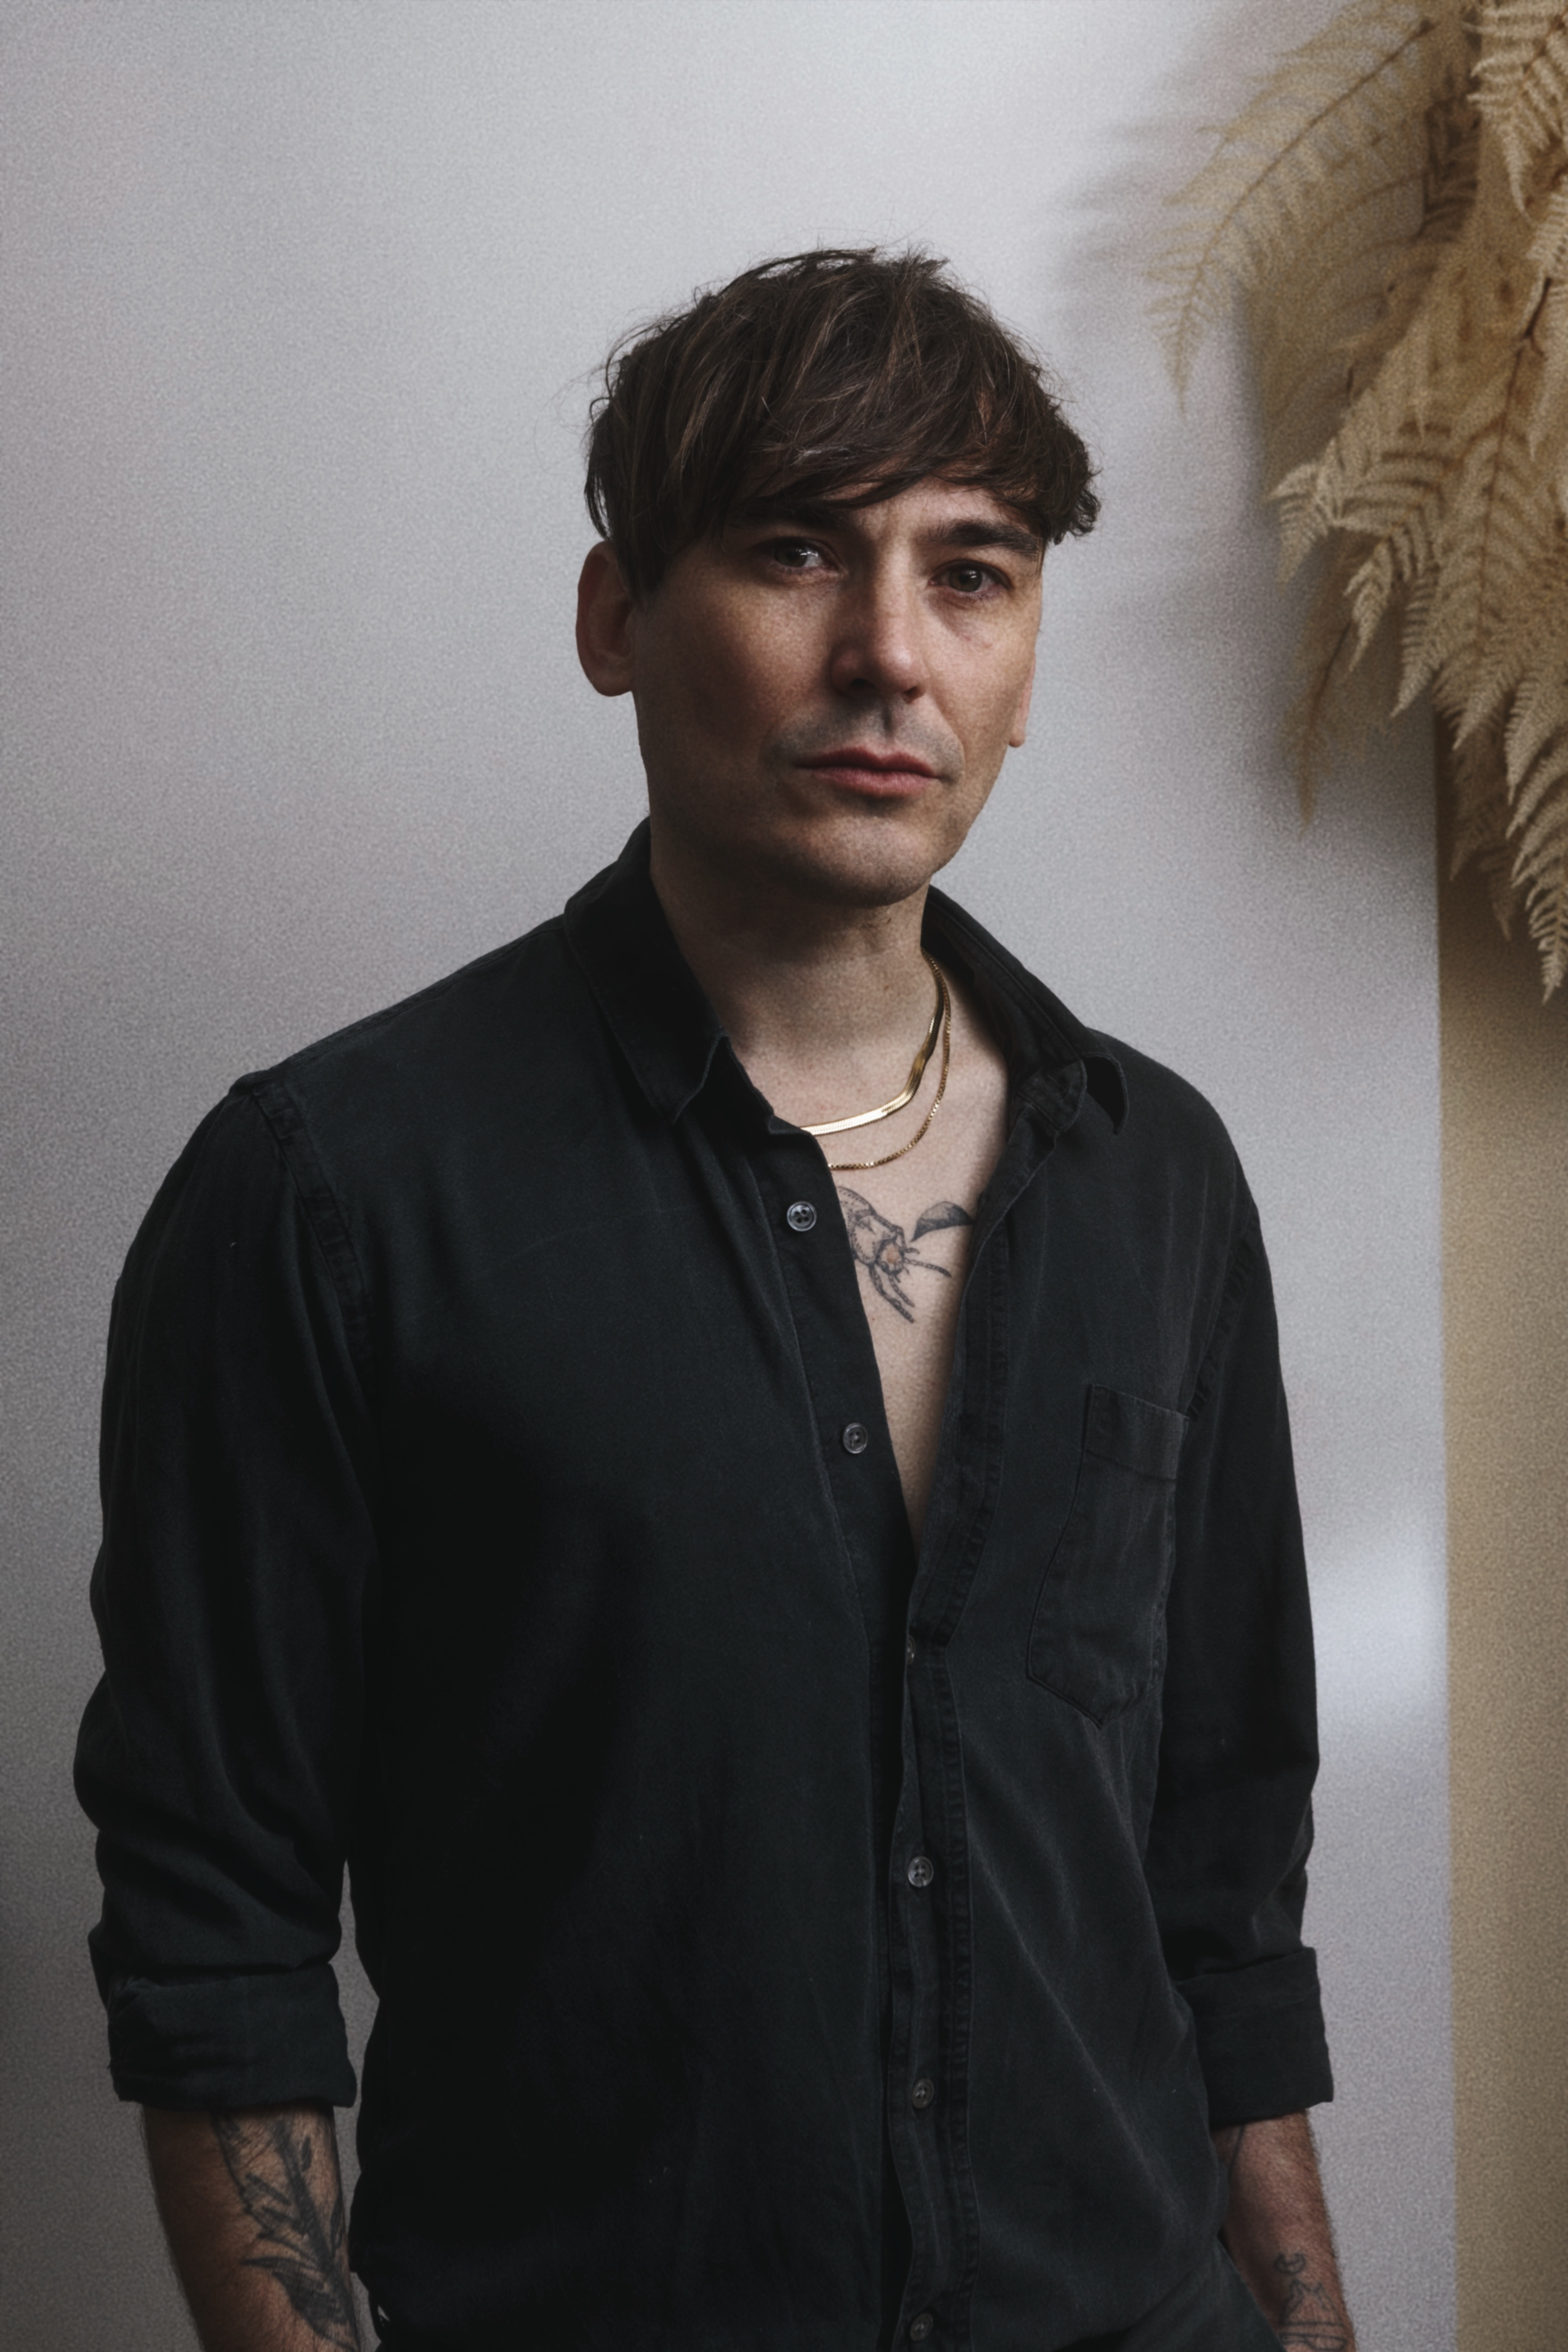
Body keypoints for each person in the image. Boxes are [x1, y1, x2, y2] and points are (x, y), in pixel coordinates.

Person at [76, 247, 1355, 2352]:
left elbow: (1220, 1888)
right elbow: (217, 1928)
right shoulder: (326, 1194)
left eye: (972, 572)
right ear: (614, 619)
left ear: (1029, 651)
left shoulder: (1156, 1179)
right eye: (791, 552)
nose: (886, 657)